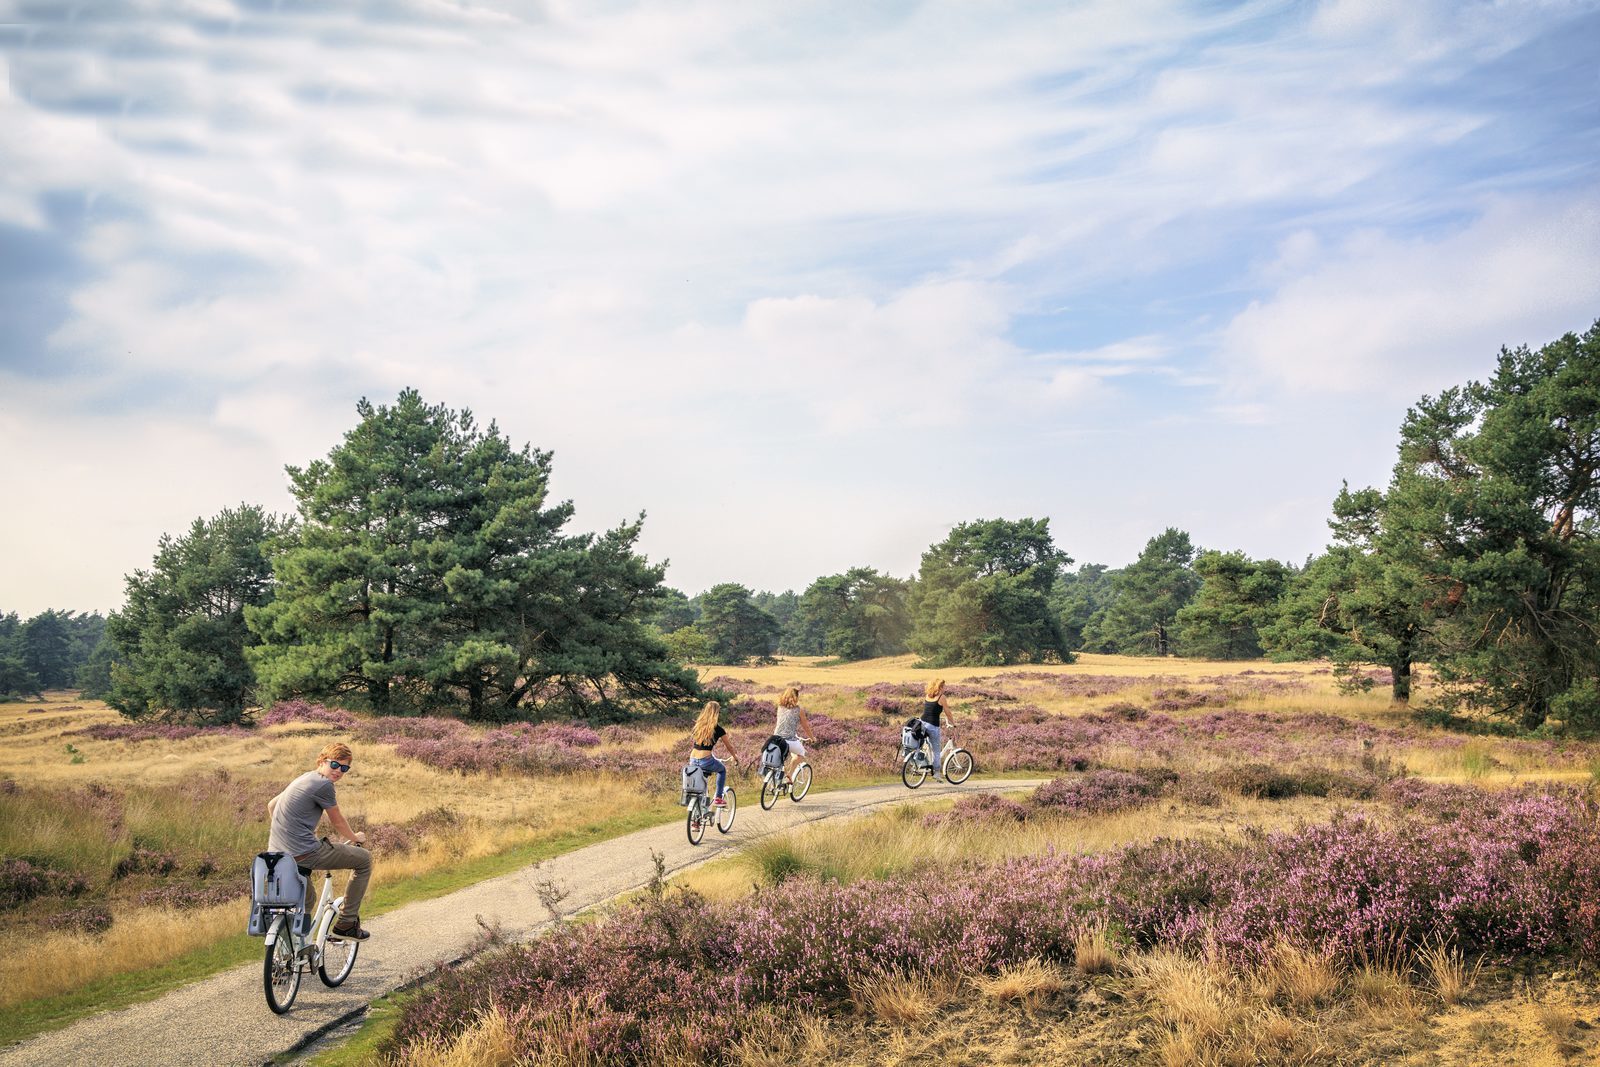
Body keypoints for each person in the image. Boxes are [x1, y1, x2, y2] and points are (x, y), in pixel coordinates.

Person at [267, 742, 373, 941]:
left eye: (344, 768)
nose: (339, 771)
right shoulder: (324, 785)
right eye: (335, 765)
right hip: (304, 853)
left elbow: (271, 805)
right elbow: (338, 821)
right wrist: (355, 838)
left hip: (277, 855)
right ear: (323, 761)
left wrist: (292, 831)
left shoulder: (304, 778)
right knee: (364, 860)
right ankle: (346, 924)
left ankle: (297, 948)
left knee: (307, 900)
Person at [689, 700, 742, 806]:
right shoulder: (718, 729)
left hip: (693, 759)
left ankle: (698, 813)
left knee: (700, 787)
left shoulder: (698, 726)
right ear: (717, 713)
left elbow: (700, 745)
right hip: (706, 761)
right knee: (722, 770)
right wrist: (735, 757)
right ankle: (718, 798)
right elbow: (729, 746)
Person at [772, 685, 815, 780]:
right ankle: (790, 775)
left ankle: (775, 779)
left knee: (780, 758)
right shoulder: (799, 710)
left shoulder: (779, 707)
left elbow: (783, 723)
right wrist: (812, 738)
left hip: (775, 739)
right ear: (796, 697)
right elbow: (806, 727)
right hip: (789, 740)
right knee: (802, 755)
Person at [920, 678, 955, 781]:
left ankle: (924, 762)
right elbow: (947, 712)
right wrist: (953, 723)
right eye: (944, 686)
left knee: (926, 746)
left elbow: (929, 710)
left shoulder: (928, 695)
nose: (945, 688)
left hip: (922, 723)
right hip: (932, 726)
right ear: (940, 687)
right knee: (936, 750)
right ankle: (936, 773)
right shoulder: (941, 697)